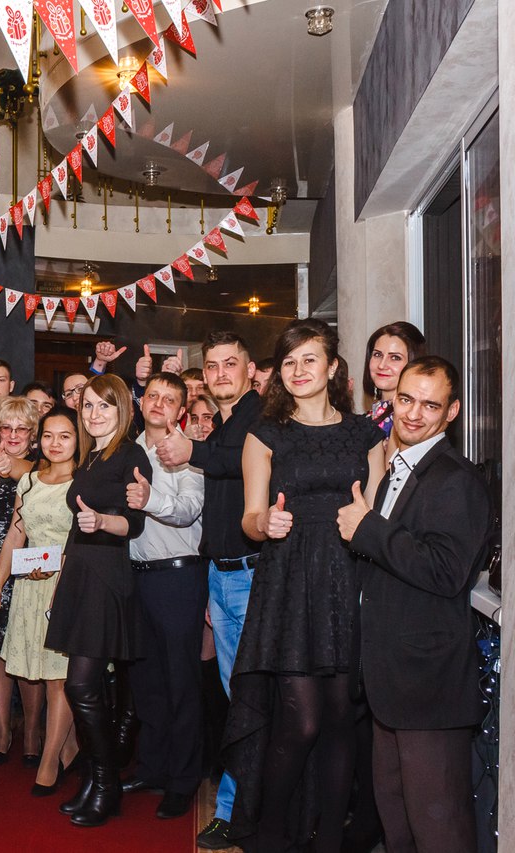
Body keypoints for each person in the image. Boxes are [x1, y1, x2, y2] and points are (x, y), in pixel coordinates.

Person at [224, 319, 385, 852]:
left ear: (333, 366)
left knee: (340, 720)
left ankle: (328, 841)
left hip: (348, 579)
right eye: (289, 361)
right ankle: (271, 833)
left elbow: (377, 514)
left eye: (309, 359)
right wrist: (264, 523)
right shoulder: (265, 435)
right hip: (290, 583)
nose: (298, 370)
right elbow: (250, 517)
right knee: (303, 722)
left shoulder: (366, 434)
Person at [337, 356, 491, 853]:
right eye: (406, 400)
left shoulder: (455, 479)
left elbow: (446, 571)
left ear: (452, 412)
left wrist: (368, 529)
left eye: (430, 405)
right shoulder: (400, 467)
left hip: (429, 686)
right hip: (391, 680)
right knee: (398, 823)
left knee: (438, 829)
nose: (414, 414)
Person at [153, 331, 260, 849]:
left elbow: (241, 460)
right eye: (212, 365)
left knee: (249, 700)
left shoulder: (259, 418)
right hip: (223, 574)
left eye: (229, 364)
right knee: (239, 698)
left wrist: (192, 449)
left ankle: (238, 811)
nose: (220, 374)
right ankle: (244, 806)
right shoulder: (226, 422)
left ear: (250, 369)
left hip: (250, 575)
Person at [46, 374, 152, 829]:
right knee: (86, 686)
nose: (93, 413)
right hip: (81, 572)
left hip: (107, 576)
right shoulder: (90, 458)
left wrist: (103, 522)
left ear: (122, 409)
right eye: (87, 405)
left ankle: (106, 784)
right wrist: (63, 575)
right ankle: (96, 779)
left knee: (81, 685)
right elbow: (77, 524)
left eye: (104, 405)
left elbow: (134, 524)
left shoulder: (131, 454)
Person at [121, 373, 206, 820]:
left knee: (181, 683)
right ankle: (152, 767)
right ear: (141, 403)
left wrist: (150, 498)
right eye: (152, 395)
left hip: (177, 578)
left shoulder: (189, 453)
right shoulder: (127, 449)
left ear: (181, 410)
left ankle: (183, 778)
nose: (158, 403)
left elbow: (190, 510)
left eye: (168, 399)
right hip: (134, 579)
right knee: (146, 682)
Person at [0, 406, 79, 794]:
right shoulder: (29, 481)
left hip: (68, 585)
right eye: (48, 435)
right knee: (39, 670)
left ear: (78, 440)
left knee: (59, 678)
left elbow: (85, 542)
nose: (55, 443)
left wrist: (58, 569)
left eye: (65, 436)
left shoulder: (83, 483)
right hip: (29, 586)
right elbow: (16, 534)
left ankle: (48, 761)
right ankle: (70, 748)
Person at [0, 396, 38, 763]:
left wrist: (12, 466)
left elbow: (29, 473)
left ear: (33, 434)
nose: (13, 435)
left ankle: (31, 733)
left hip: (29, 575)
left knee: (27, 658)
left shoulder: (43, 468)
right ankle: (2, 732)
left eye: (22, 429)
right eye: (6, 428)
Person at [362, 321, 426, 435]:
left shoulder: (411, 422)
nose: (382, 365)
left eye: (395, 358)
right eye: (377, 355)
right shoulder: (367, 418)